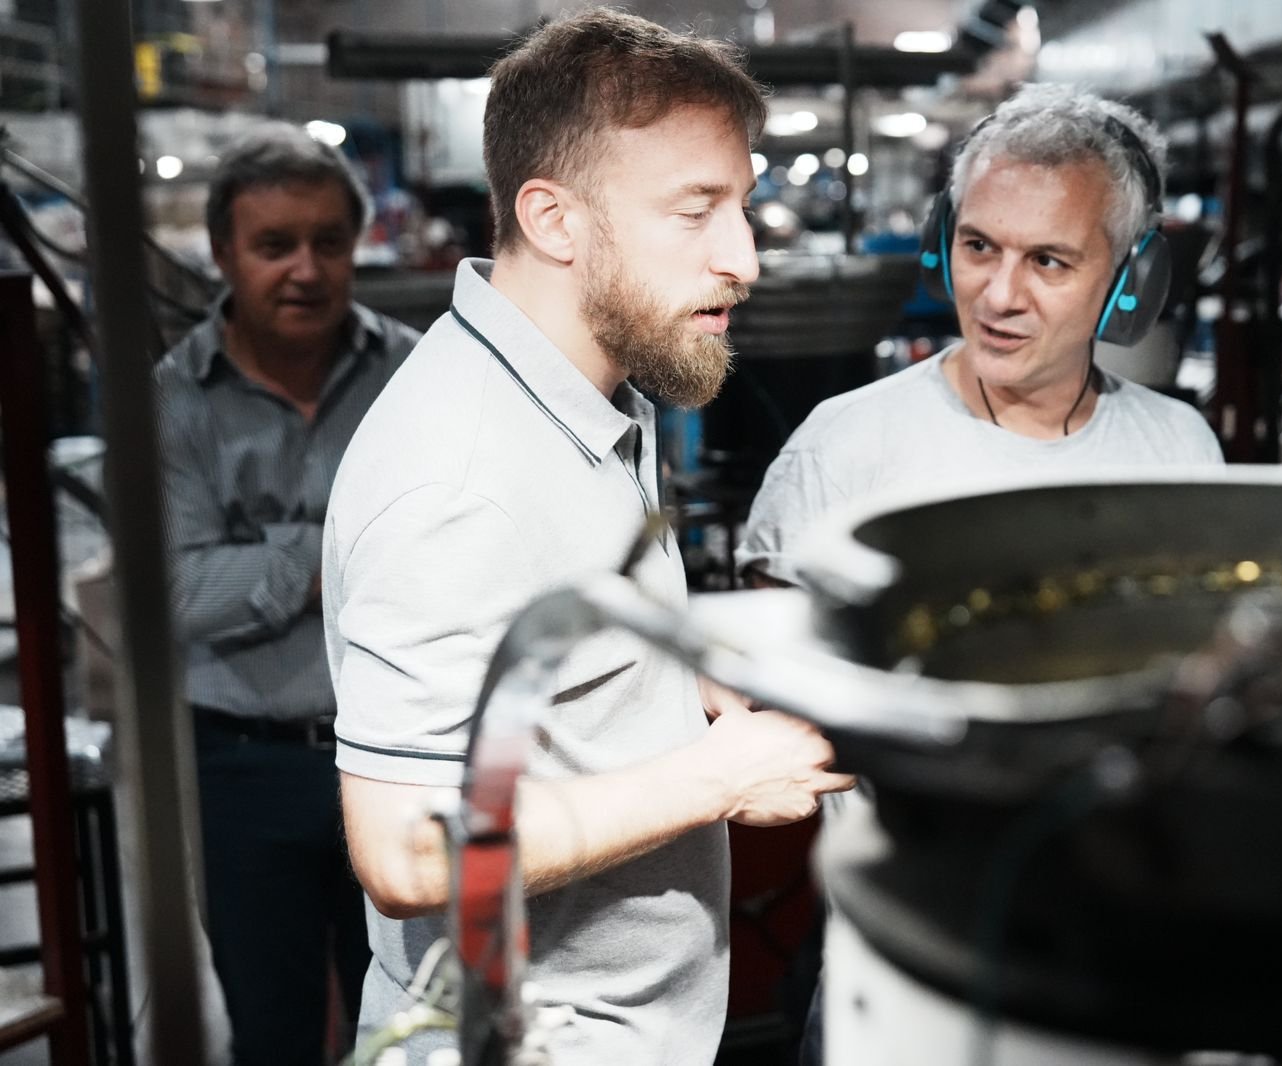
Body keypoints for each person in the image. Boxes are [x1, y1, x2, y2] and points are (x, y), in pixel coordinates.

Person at [323, 10, 854, 1064]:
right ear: (554, 219)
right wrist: (718, 776)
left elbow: (537, 638)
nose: (744, 259)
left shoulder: (585, 392)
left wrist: (674, 673)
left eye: (741, 209)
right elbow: (407, 853)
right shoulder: (459, 474)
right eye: (695, 213)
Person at [155, 123, 419, 1065]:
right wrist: (351, 547)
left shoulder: (417, 377)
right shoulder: (171, 400)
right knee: (272, 1032)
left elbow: (452, 554)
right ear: (223, 254)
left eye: (327, 242)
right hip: (243, 767)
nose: (305, 270)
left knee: (414, 1025)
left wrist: (260, 558)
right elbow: (178, 590)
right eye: (274, 245)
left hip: (404, 747)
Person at [737, 84, 1224, 588]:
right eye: (979, 246)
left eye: (1047, 260)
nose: (999, 296)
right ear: (942, 242)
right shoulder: (845, 447)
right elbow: (769, 633)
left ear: (1129, 282)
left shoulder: (1180, 449)